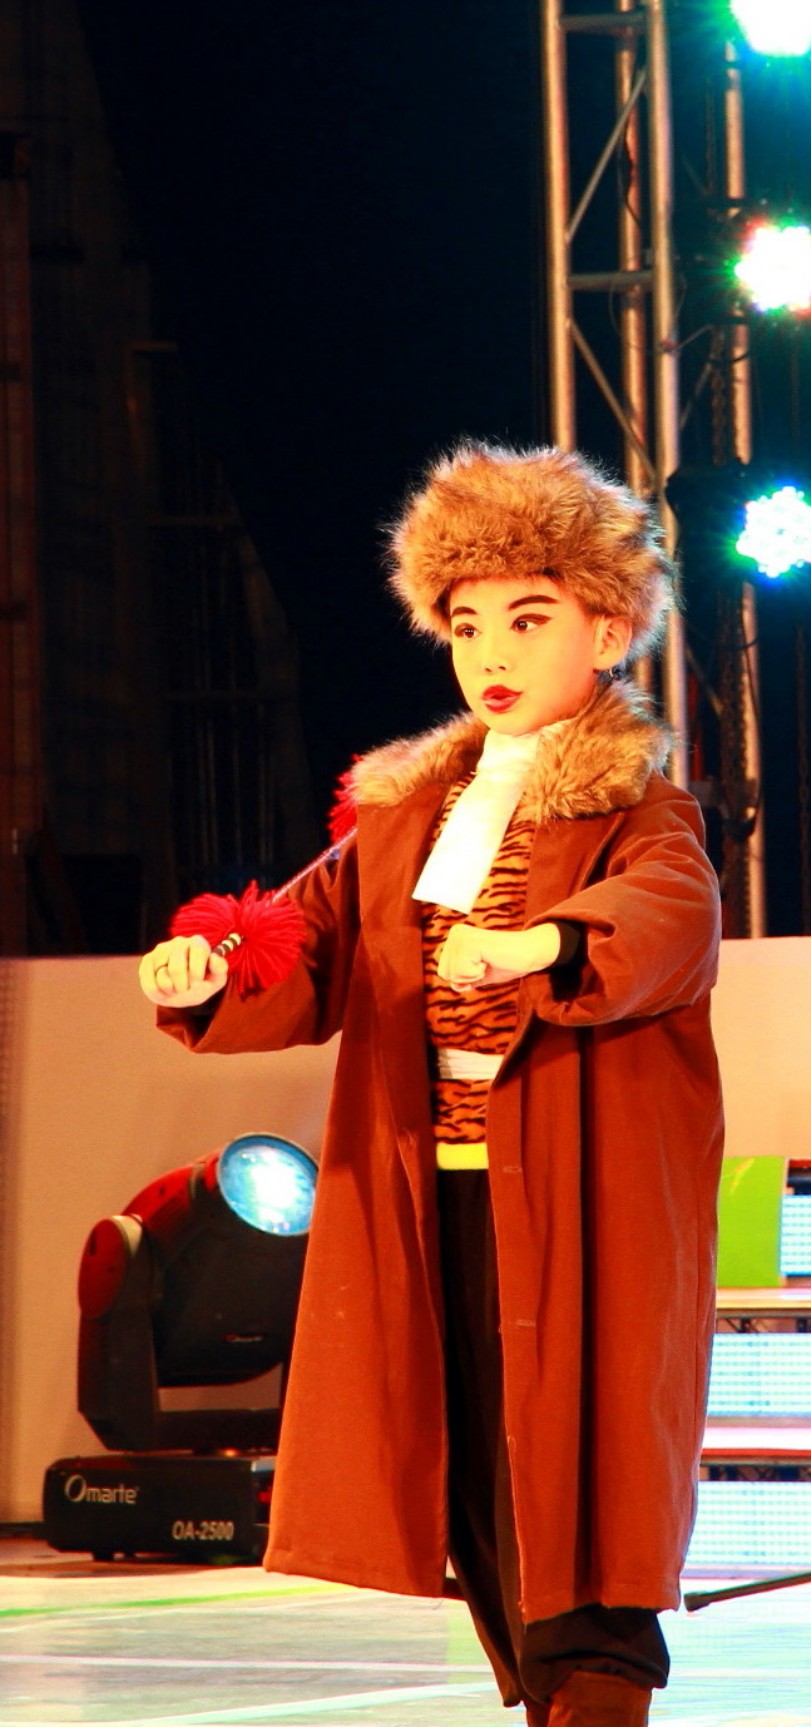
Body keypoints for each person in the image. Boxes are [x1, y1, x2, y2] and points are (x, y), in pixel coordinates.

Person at [140, 442, 724, 1727]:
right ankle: (548, 1693)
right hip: (430, 1190)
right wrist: (205, 967)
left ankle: (594, 1698)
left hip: (577, 1195)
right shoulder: (406, 814)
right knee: (475, 1462)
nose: (491, 653)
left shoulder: (636, 801)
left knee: (578, 1462)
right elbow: (297, 946)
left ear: (607, 628)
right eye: (468, 625)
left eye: (529, 618)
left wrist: (541, 942)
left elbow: (670, 918)